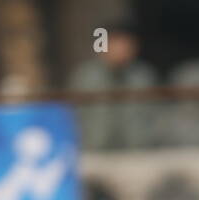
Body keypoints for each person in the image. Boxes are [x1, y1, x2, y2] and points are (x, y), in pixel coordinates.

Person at [66, 18, 159, 151]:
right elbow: (73, 115)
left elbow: (154, 114)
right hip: (94, 150)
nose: (120, 49)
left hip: (137, 151)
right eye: (115, 43)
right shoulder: (86, 76)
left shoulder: (143, 76)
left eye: (126, 44)